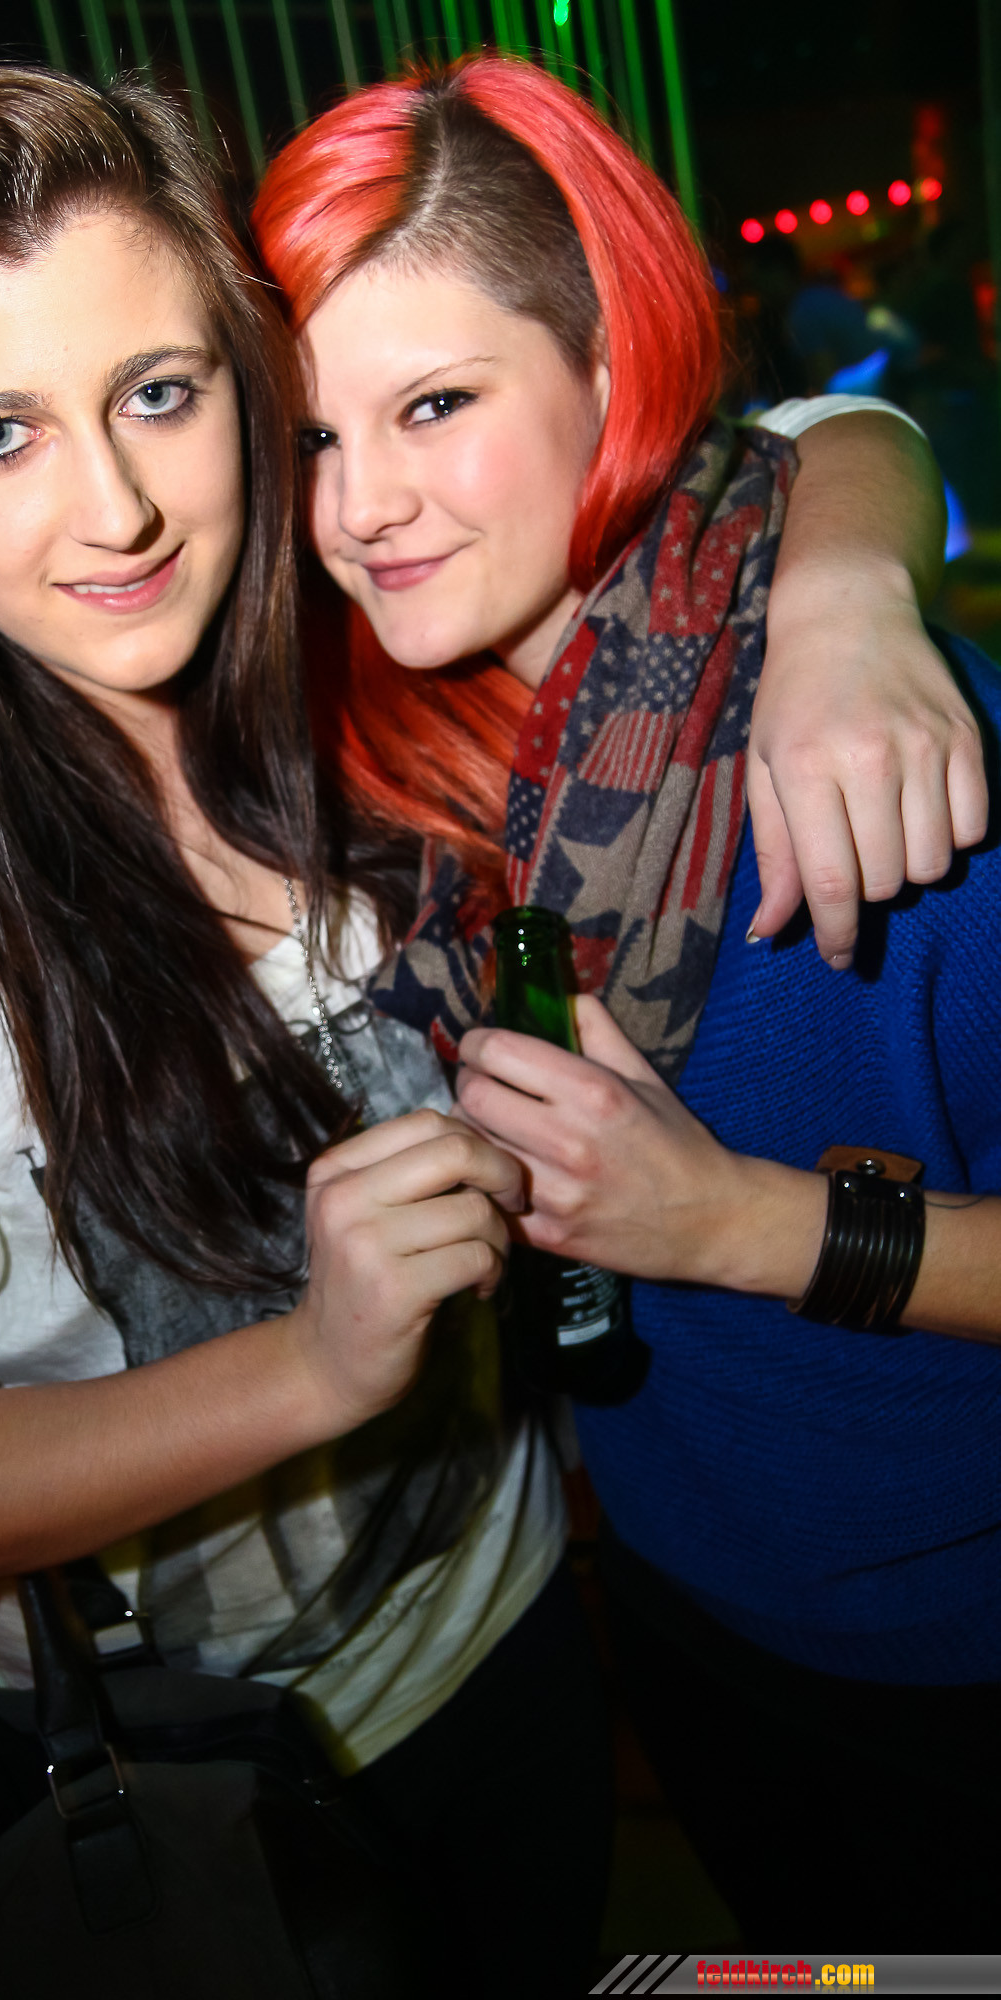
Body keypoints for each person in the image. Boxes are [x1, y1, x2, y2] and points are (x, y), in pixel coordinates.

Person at [0, 62, 984, 1997]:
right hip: (223, 1770)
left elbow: (779, 439)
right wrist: (307, 1369)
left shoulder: (346, 689)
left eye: (158, 394)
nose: (116, 508)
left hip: (554, 1632)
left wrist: (844, 592)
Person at [253, 56, 1001, 1949]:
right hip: (669, 1607)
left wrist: (735, 1224)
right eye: (311, 436)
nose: (361, 507)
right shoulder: (396, 779)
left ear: (610, 363)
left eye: (434, 404)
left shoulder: (888, 759)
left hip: (953, 1653)